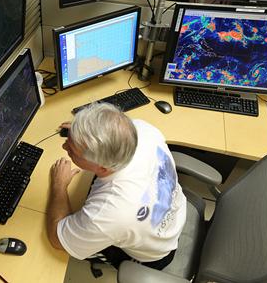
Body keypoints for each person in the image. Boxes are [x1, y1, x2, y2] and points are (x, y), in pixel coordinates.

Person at [46, 102, 187, 271]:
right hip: (172, 216)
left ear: (103, 167)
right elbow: (111, 125)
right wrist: (81, 133)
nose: (64, 146)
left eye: (72, 150)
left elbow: (57, 238)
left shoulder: (109, 212)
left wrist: (59, 185)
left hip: (153, 254)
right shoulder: (141, 129)